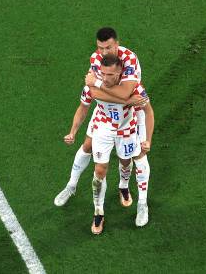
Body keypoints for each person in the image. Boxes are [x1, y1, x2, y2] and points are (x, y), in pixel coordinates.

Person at [57, 54, 154, 233]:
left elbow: (148, 112)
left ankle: (129, 192)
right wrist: (72, 131)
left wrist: (147, 138)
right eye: (103, 74)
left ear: (120, 73)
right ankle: (98, 212)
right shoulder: (92, 85)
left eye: (111, 75)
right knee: (99, 170)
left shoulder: (134, 89)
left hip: (127, 130)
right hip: (103, 130)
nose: (106, 78)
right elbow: (83, 108)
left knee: (127, 161)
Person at [55, 27, 149, 208]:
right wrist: (116, 95)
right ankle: (71, 185)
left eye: (108, 47)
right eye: (100, 48)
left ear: (117, 44)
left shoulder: (129, 59)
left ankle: (123, 186)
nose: (103, 52)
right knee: (87, 146)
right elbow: (94, 93)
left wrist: (100, 85)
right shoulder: (95, 58)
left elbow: (124, 92)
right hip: (104, 113)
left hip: (128, 113)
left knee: (126, 158)